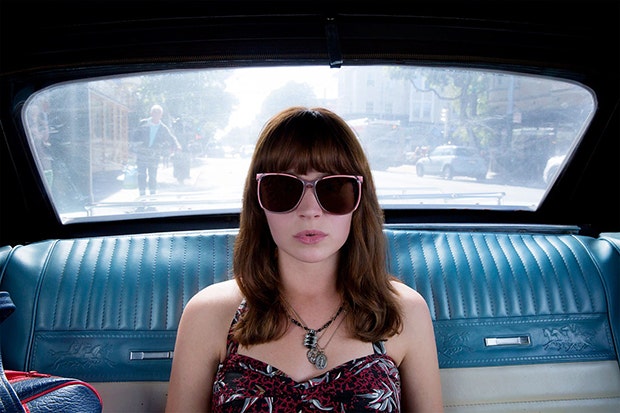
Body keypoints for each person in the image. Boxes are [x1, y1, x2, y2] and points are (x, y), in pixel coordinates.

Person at [165, 107, 444, 412]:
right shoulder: (209, 314)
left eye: (333, 188)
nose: (310, 210)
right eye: (284, 189)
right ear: (258, 201)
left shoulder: (404, 312)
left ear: (359, 200)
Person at [130, 104, 180, 196]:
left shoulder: (162, 127)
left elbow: (171, 137)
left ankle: (152, 194)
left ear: (161, 115)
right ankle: (142, 194)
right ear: (151, 113)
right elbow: (134, 136)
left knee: (152, 175)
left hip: (154, 155)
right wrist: (133, 148)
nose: (156, 115)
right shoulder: (143, 123)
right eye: (154, 113)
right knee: (141, 174)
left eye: (158, 113)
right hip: (142, 153)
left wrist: (177, 146)